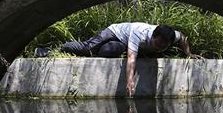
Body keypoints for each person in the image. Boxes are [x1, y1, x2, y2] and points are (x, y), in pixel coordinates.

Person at [40, 22, 202, 97]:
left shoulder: (171, 36)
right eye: (158, 44)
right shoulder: (140, 32)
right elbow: (131, 58)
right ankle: (51, 50)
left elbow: (183, 38)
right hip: (115, 31)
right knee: (86, 48)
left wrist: (188, 54)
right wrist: (130, 81)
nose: (160, 48)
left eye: (164, 47)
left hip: (122, 43)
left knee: (108, 51)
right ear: (153, 36)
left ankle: (99, 52)